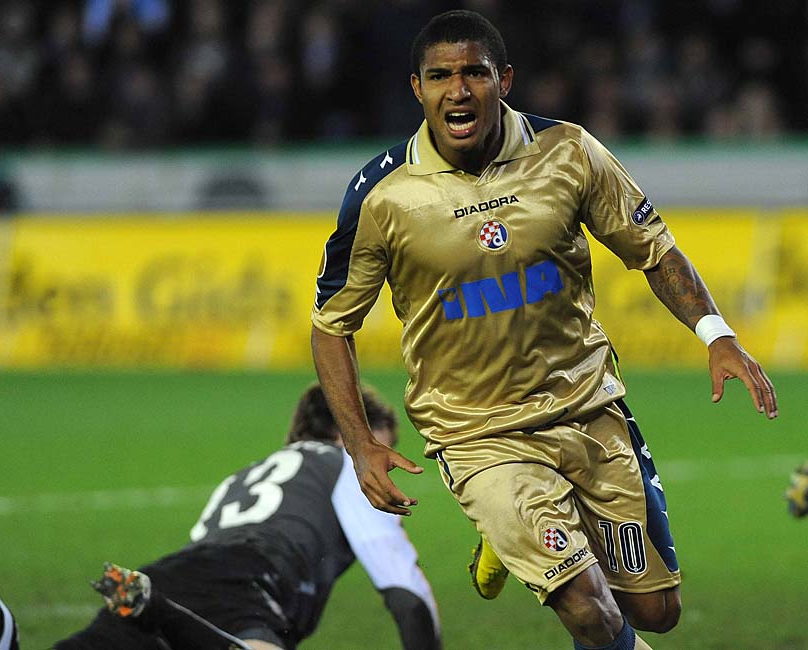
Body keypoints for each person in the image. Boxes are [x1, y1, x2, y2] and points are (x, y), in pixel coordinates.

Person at [310, 9, 778, 650]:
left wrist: (716, 334)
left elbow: (653, 247)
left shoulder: (567, 151)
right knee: (589, 609)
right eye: (441, 75)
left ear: (504, 79)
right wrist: (360, 444)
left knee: (654, 611)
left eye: (474, 72)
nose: (459, 89)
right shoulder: (382, 194)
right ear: (416, 88)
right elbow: (332, 324)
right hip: (478, 434)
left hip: (588, 411)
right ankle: (511, 517)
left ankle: (505, 545)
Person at [0, 384, 441, 650]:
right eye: (383, 454)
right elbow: (407, 596)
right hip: (244, 593)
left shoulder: (244, 476)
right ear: (353, 437)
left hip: (165, 575)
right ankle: (165, 617)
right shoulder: (351, 464)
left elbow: (204, 553)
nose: (384, 477)